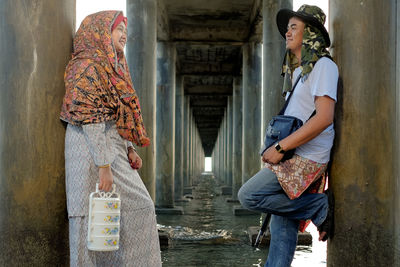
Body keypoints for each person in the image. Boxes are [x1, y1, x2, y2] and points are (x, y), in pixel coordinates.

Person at [238, 5, 337, 267]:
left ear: (310, 33)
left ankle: (317, 207)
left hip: (305, 157)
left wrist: (280, 147)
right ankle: (312, 207)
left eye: (294, 27)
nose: (287, 32)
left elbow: (325, 117)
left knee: (248, 195)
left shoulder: (324, 66)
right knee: (282, 234)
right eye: (287, 27)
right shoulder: (299, 72)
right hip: (293, 154)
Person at [60, 11, 162, 266]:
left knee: (137, 209)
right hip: (87, 149)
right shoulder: (86, 66)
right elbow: (90, 117)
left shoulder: (113, 66)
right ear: (100, 32)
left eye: (125, 30)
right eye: (118, 29)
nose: (124, 35)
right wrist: (103, 166)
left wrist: (128, 148)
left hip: (112, 145)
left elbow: (115, 113)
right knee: (88, 219)